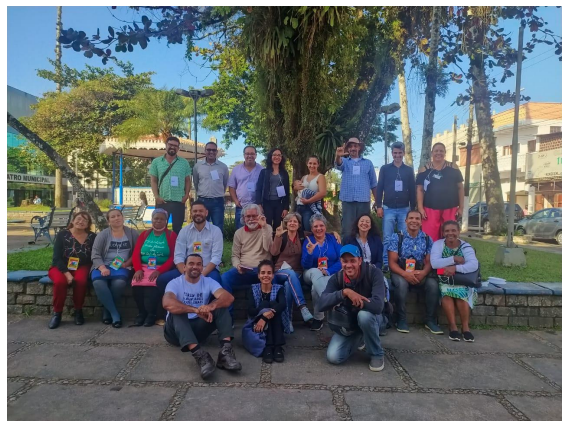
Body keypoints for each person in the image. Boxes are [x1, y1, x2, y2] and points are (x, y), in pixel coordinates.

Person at [163, 253, 242, 379]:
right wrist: (194, 310)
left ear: (202, 267)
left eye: (199, 264)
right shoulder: (175, 283)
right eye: (191, 264)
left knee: (221, 307)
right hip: (174, 333)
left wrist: (211, 306)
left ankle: (225, 353)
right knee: (177, 311)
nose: (195, 267)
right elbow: (167, 303)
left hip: (198, 328)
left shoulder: (208, 282)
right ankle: (201, 356)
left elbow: (228, 298)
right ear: (184, 267)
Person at [318, 244, 386, 372]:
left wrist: (356, 299)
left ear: (360, 260)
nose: (348, 265)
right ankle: (361, 337)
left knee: (364, 316)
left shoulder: (374, 273)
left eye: (353, 261)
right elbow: (321, 304)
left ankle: (376, 353)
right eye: (345, 261)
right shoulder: (337, 278)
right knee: (333, 357)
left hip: (375, 319)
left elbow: (378, 306)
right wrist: (345, 292)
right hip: (349, 325)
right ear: (341, 262)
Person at [387, 210, 442, 335]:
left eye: (417, 219)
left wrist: (423, 273)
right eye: (411, 218)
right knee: (401, 285)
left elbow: (429, 262)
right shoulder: (397, 237)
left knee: (433, 285)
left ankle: (430, 320)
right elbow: (392, 263)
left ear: (421, 222)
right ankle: (401, 319)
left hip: (419, 272)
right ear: (405, 221)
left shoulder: (427, 239)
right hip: (400, 272)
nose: (414, 221)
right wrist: (405, 274)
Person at [221, 203, 273, 318]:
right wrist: (238, 265)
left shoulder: (267, 228)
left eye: (254, 216)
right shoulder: (239, 233)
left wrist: (264, 227)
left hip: (260, 270)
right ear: (243, 218)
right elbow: (234, 255)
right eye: (248, 216)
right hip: (243, 270)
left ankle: (263, 316)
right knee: (225, 278)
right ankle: (228, 318)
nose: (251, 219)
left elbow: (268, 248)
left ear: (260, 216)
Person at [430, 220, 479, 342]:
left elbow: (473, 265)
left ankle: (466, 328)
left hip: (462, 280)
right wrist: (454, 259)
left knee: (461, 296)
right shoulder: (438, 244)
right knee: (447, 295)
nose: (450, 233)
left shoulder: (465, 246)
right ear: (443, 232)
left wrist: (454, 268)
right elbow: (435, 263)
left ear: (458, 231)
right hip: (445, 280)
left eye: (453, 230)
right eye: (447, 231)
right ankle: (453, 327)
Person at [47, 211, 96, 329]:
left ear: (88, 224)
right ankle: (57, 313)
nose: (81, 222)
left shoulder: (92, 236)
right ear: (73, 221)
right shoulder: (62, 234)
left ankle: (78, 311)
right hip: (61, 267)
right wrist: (67, 274)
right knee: (60, 282)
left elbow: (96, 254)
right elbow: (56, 258)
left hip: (83, 266)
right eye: (79, 219)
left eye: (85, 220)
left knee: (80, 281)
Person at [158, 201, 224, 289]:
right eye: (195, 211)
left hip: (208, 270)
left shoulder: (216, 231)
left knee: (216, 284)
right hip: (187, 269)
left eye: (201, 211)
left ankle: (209, 303)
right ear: (191, 213)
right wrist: (186, 274)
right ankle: (172, 301)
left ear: (206, 213)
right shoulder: (184, 231)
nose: (198, 213)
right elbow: (178, 256)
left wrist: (201, 275)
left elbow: (216, 257)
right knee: (162, 280)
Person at [90, 209, 139, 328]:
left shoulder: (132, 233)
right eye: (112, 217)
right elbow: (95, 254)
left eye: (118, 215)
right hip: (102, 265)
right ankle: (115, 313)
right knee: (98, 283)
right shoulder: (103, 234)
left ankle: (107, 311)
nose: (116, 218)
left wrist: (127, 264)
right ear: (108, 221)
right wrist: (102, 268)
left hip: (122, 266)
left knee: (119, 283)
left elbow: (137, 252)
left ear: (123, 218)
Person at [131, 209, 177, 327]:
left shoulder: (171, 235)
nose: (158, 221)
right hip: (143, 267)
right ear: (152, 219)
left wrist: (159, 271)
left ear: (166, 221)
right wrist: (138, 269)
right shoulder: (144, 234)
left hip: (161, 268)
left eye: (162, 219)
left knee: (152, 287)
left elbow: (173, 257)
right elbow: (136, 254)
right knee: (136, 285)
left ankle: (151, 315)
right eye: (156, 218)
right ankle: (141, 313)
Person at [376, 141, 416, 270]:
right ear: (392, 153)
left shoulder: (409, 170)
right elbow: (379, 188)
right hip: (388, 208)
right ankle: (386, 263)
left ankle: (401, 261)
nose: (397, 155)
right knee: (387, 237)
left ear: (403, 153)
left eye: (400, 153)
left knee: (404, 237)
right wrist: (378, 206)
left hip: (404, 208)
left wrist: (413, 210)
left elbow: (412, 190)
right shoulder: (385, 169)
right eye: (395, 153)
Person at [270, 212, 314, 331]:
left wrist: (334, 233)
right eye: (290, 221)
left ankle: (288, 320)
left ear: (299, 225)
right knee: (290, 274)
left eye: (295, 221)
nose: (292, 223)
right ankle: (302, 306)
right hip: (280, 271)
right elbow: (273, 253)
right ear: (286, 224)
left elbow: (319, 233)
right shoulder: (281, 235)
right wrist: (277, 237)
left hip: (297, 272)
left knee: (288, 286)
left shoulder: (303, 236)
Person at [416, 142, 464, 243]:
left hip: (450, 208)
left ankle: (449, 257)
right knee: (429, 237)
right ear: (431, 153)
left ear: (445, 153)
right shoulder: (423, 170)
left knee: (449, 235)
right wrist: (420, 208)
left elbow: (460, 188)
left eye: (441, 151)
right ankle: (430, 258)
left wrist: (461, 208)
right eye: (436, 151)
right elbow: (420, 189)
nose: (438, 153)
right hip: (429, 209)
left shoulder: (453, 168)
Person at [301, 213, 342, 331]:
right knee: (315, 272)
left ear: (325, 226)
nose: (318, 229)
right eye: (315, 226)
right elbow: (305, 265)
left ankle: (318, 319)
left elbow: (341, 260)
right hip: (310, 273)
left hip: (330, 274)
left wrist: (328, 271)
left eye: (321, 225)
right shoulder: (308, 241)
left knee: (315, 289)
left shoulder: (333, 239)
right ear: (311, 228)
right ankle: (333, 305)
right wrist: (309, 253)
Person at [335, 138, 377, 240]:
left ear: (359, 148)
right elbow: (338, 165)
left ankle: (363, 253)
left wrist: (377, 201)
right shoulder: (344, 161)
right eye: (350, 146)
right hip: (348, 201)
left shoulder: (368, 163)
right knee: (347, 230)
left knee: (364, 228)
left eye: (355, 146)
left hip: (364, 201)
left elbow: (374, 183)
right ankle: (347, 254)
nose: (353, 148)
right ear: (348, 149)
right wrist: (337, 156)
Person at [247, 260, 288, 363]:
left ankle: (277, 346)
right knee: (265, 304)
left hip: (275, 323)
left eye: (269, 273)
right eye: (263, 273)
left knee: (274, 304)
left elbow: (283, 305)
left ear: (273, 275)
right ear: (258, 275)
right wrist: (262, 314)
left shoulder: (279, 288)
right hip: (257, 325)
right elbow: (251, 310)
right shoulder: (252, 289)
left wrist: (265, 317)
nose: (266, 275)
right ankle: (268, 347)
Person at [149, 136, 192, 234]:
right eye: (170, 145)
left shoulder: (184, 162)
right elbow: (153, 180)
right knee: (160, 228)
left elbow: (187, 181)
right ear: (166, 145)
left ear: (178, 148)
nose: (173, 147)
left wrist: (186, 196)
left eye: (175, 146)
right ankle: (161, 248)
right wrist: (156, 196)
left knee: (177, 229)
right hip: (162, 201)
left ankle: (176, 248)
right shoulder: (156, 162)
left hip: (179, 201)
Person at [192, 141, 229, 231]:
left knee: (218, 227)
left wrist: (218, 193)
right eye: (209, 150)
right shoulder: (198, 166)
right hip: (202, 201)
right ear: (205, 151)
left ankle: (217, 245)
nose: (211, 152)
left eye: (213, 150)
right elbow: (196, 182)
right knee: (201, 227)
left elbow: (225, 183)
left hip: (218, 202)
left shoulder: (223, 167)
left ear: (216, 152)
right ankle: (201, 245)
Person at [228, 145, 264, 229]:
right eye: (247, 153)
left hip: (257, 207)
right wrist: (236, 201)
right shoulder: (236, 169)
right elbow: (231, 187)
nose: (250, 156)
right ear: (244, 155)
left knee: (257, 231)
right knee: (240, 230)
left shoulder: (262, 170)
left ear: (256, 155)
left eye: (252, 153)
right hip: (241, 206)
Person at [256, 148, 290, 232]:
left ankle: (276, 244)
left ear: (281, 158)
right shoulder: (264, 172)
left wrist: (286, 208)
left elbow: (287, 191)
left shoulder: (284, 173)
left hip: (279, 203)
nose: (277, 157)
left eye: (279, 155)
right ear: (270, 157)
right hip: (267, 203)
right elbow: (259, 188)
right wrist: (259, 204)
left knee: (278, 226)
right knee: (266, 226)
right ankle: (267, 244)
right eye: (274, 155)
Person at [293, 156, 327, 232]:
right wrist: (295, 188)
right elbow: (298, 190)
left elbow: (322, 193)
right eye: (310, 163)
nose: (312, 166)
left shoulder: (320, 177)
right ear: (307, 164)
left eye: (314, 163)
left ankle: (310, 243)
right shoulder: (304, 177)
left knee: (308, 229)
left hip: (310, 207)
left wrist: (308, 201)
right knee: (298, 229)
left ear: (318, 165)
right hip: (299, 206)